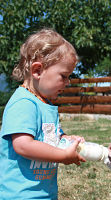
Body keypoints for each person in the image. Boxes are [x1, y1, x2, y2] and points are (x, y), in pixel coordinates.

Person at [0, 28, 86, 200]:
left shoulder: (45, 103)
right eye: (64, 76)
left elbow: (50, 136)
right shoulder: (23, 103)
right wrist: (63, 156)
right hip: (20, 195)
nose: (68, 82)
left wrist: (66, 140)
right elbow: (23, 145)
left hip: (44, 193)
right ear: (37, 71)